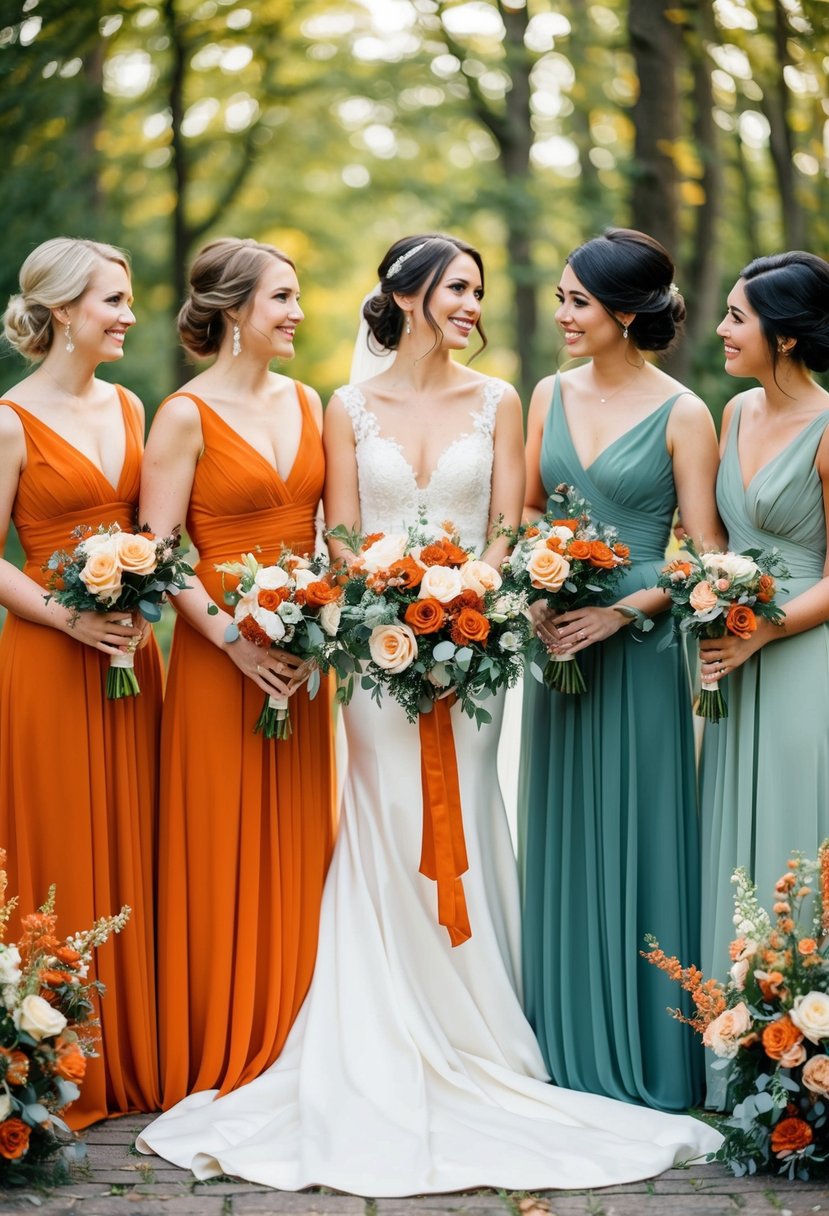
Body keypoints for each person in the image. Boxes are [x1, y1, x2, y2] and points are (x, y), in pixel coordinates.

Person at [137, 233, 720, 1193]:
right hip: (372, 656)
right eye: (456, 288)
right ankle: (380, 1023)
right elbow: (337, 530)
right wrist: (377, 607)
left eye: (478, 291)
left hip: (474, 652)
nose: (470, 305)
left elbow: (506, 524)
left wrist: (472, 606)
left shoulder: (500, 400)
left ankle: (477, 1026)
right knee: (381, 817)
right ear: (407, 295)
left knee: (470, 815)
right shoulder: (343, 404)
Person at [519, 228, 726, 1112]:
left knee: (642, 835)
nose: (561, 315)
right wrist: (537, 581)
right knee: (560, 834)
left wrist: (621, 609)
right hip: (557, 637)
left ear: (626, 313)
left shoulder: (684, 412)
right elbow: (527, 504)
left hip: (638, 651)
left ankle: (646, 1052)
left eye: (576, 301)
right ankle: (561, 1043)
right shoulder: (545, 392)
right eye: (561, 298)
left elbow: (705, 555)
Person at [138, 237, 336, 1107]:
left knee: (299, 845)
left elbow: (330, 531)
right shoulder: (182, 414)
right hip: (224, 661)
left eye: (296, 297)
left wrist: (318, 623)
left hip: (299, 658)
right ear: (230, 310)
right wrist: (234, 642)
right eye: (281, 298)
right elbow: (161, 552)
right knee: (218, 843)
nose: (296, 313)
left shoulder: (308, 400)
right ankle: (223, 1040)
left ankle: (297, 1030)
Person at [0, 237, 161, 1125]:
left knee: (129, 843)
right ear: (63, 311)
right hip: (49, 659)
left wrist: (140, 597)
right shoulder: (10, 420)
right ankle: (59, 1068)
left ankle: (132, 1055)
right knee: (59, 845)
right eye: (113, 301)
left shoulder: (133, 407)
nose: (129, 316)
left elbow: (156, 527)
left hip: (132, 661)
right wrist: (69, 617)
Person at [699, 252, 829, 1103]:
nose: (720, 329)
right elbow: (710, 537)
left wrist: (761, 633)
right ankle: (733, 1063)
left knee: (791, 844)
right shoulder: (734, 410)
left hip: (799, 659)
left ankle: (802, 1067)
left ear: (783, 335)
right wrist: (708, 597)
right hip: (731, 654)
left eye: (737, 317)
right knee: (730, 848)